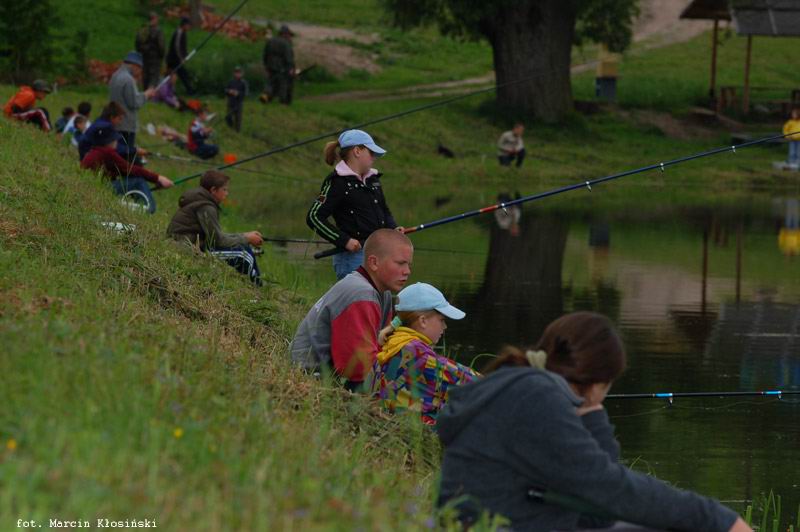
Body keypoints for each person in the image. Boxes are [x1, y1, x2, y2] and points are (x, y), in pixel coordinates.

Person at [436, 312, 752, 532]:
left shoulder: (522, 386)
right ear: (599, 379)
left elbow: (597, 512)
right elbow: (611, 487)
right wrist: (718, 518)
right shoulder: (535, 396)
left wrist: (591, 411)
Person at [290, 229, 413, 389]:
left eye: (409, 264)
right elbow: (356, 369)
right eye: (400, 263)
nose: (407, 271)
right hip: (311, 376)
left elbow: (383, 344)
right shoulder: (361, 294)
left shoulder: (384, 293)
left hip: (333, 372)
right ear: (374, 263)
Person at [366, 282, 479, 425]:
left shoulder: (393, 343)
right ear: (423, 321)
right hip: (409, 430)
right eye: (442, 320)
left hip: (388, 423)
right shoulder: (417, 354)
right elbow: (475, 383)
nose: (445, 326)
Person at [306, 129, 400, 280]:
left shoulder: (373, 180)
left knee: (380, 295)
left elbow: (384, 210)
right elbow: (314, 217)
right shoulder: (337, 182)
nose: (374, 158)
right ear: (357, 151)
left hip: (378, 255)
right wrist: (345, 241)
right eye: (371, 152)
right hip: (351, 260)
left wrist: (393, 229)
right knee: (359, 296)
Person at [167, 170, 264, 284]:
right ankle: (256, 287)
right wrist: (247, 239)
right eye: (224, 189)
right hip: (184, 249)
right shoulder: (206, 207)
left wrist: (245, 236)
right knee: (244, 255)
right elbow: (217, 241)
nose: (227, 193)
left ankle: (254, 284)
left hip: (189, 245)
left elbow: (216, 236)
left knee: (244, 248)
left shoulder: (201, 201)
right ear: (213, 190)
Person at [81, 122, 173, 214]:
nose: (116, 142)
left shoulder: (96, 151)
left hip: (92, 187)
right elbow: (131, 169)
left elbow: (124, 171)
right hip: (99, 188)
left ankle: (136, 207)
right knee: (138, 181)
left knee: (133, 179)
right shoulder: (107, 152)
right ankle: (149, 209)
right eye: (114, 139)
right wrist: (158, 178)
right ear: (109, 141)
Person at [109, 51, 156, 164]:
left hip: (115, 122)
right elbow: (134, 102)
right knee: (126, 157)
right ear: (135, 66)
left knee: (118, 154)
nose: (139, 72)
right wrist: (147, 94)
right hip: (126, 125)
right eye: (140, 69)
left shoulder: (115, 75)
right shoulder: (128, 79)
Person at [260, 25, 295, 105]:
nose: (290, 37)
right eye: (289, 35)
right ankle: (283, 102)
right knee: (283, 85)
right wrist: (291, 68)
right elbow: (288, 57)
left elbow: (265, 55)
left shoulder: (270, 41)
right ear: (285, 34)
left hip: (270, 67)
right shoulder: (286, 44)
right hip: (282, 69)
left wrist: (266, 66)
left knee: (270, 83)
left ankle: (266, 97)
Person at [135, 11, 166, 89]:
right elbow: (161, 45)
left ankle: (145, 92)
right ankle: (151, 92)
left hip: (144, 57)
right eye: (157, 19)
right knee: (154, 76)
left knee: (145, 75)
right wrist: (162, 55)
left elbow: (137, 43)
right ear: (154, 19)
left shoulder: (142, 29)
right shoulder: (158, 31)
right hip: (155, 58)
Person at [166, 17, 193, 94]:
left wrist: (186, 55)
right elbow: (177, 46)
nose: (189, 27)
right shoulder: (179, 32)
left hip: (177, 59)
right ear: (184, 25)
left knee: (180, 74)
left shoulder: (183, 33)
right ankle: (189, 91)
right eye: (188, 25)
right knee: (180, 74)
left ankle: (187, 90)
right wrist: (181, 58)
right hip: (174, 59)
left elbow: (183, 47)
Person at [225, 66, 248, 132]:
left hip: (239, 103)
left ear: (242, 74)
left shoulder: (244, 83)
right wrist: (229, 91)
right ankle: (230, 129)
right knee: (228, 116)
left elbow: (246, 93)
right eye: (236, 73)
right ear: (234, 73)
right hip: (231, 102)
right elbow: (226, 90)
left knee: (238, 119)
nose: (237, 74)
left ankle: (237, 132)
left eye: (239, 73)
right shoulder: (231, 81)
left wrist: (238, 93)